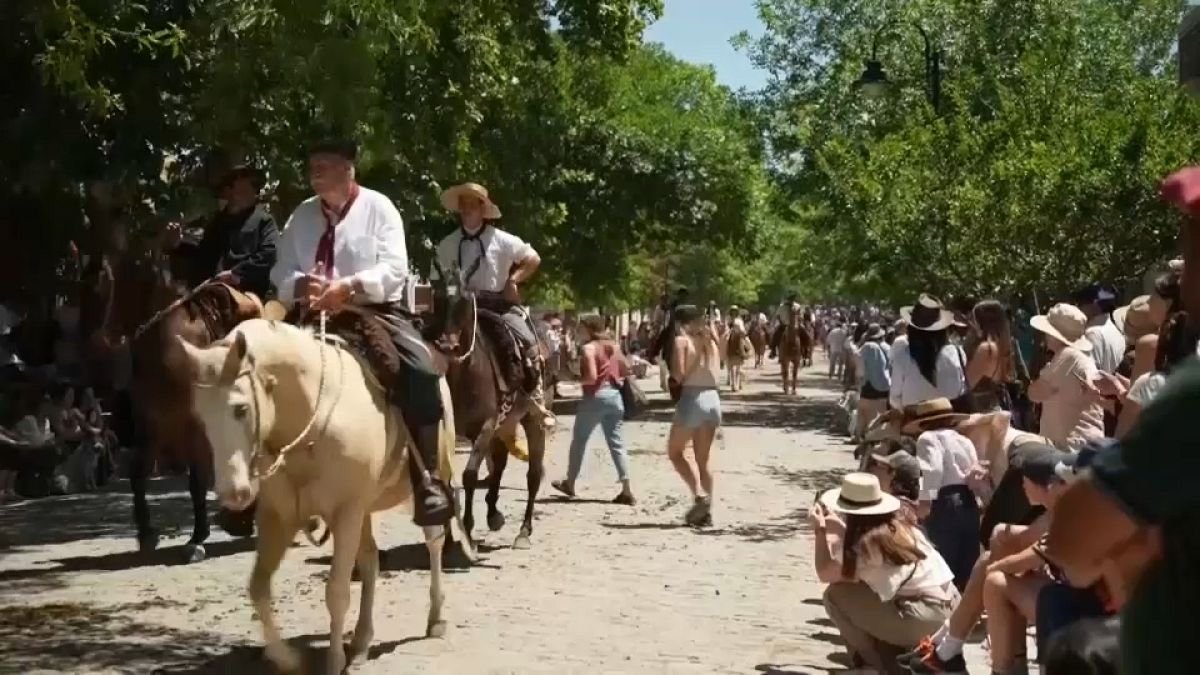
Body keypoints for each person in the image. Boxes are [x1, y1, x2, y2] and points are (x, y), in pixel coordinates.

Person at [269, 138, 451, 527]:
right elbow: (280, 271)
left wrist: (349, 286)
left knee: (417, 369)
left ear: (348, 169)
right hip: (311, 316)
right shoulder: (300, 217)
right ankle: (261, 481)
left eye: (325, 164)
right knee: (261, 371)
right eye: (312, 164)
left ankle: (428, 479)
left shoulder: (379, 208)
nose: (315, 171)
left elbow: (394, 269)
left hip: (370, 312)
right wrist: (302, 286)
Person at [812, 473, 959, 674]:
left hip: (924, 616)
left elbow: (825, 572)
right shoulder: (900, 528)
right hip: (948, 608)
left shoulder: (868, 545)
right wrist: (839, 528)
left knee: (836, 595)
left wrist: (820, 530)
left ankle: (873, 667)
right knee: (867, 593)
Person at [435, 182, 547, 413]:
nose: (467, 209)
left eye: (472, 205)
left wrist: (513, 281)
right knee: (432, 342)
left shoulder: (503, 239)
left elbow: (533, 258)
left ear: (483, 209)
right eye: (463, 205)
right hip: (460, 307)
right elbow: (438, 278)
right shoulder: (447, 243)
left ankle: (536, 399)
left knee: (527, 342)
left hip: (496, 306)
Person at [551, 315, 635, 505]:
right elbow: (627, 368)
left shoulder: (588, 348)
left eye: (581, 328)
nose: (579, 332)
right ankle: (626, 488)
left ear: (589, 329)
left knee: (579, 441)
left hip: (594, 398)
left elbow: (591, 377)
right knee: (617, 444)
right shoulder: (613, 346)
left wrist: (573, 382)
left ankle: (570, 483)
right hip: (614, 396)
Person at [164, 164, 278, 297]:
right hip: (210, 292)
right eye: (236, 183)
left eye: (249, 183)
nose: (242, 188)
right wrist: (176, 245)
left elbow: (270, 253)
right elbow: (201, 258)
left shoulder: (264, 221)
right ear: (227, 191)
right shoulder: (217, 222)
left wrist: (236, 274)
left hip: (246, 295)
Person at [903, 399, 980, 591]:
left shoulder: (928, 438)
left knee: (944, 557)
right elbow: (975, 470)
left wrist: (926, 500)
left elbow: (933, 471)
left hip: (945, 500)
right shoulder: (964, 440)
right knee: (966, 556)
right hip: (968, 499)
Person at [667, 305, 722, 526]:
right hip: (713, 399)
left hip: (692, 399)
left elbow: (678, 375)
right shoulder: (711, 342)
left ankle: (699, 494)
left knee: (675, 452)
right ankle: (706, 513)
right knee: (703, 460)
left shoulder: (682, 342)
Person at [1027, 303, 1105, 450]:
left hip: (1070, 446)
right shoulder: (1081, 357)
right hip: (1084, 443)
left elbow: (1035, 393)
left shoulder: (1067, 356)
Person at [889, 295, 967, 411]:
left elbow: (895, 399)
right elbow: (960, 389)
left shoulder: (903, 356)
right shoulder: (957, 352)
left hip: (913, 423)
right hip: (950, 419)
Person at [964, 299, 1014, 413]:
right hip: (993, 409)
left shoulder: (986, 349)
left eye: (973, 319)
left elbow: (966, 384)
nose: (971, 323)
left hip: (982, 412)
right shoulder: (1002, 346)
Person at [1074, 284, 1124, 375]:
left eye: (1081, 304)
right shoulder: (1116, 330)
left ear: (1094, 305)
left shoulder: (1092, 334)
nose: (1078, 308)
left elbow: (1089, 374)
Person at [855, 323, 891, 442]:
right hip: (885, 387)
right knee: (879, 415)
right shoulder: (887, 347)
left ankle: (861, 437)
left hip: (869, 386)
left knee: (864, 413)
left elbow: (860, 369)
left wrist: (859, 382)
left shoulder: (867, 347)